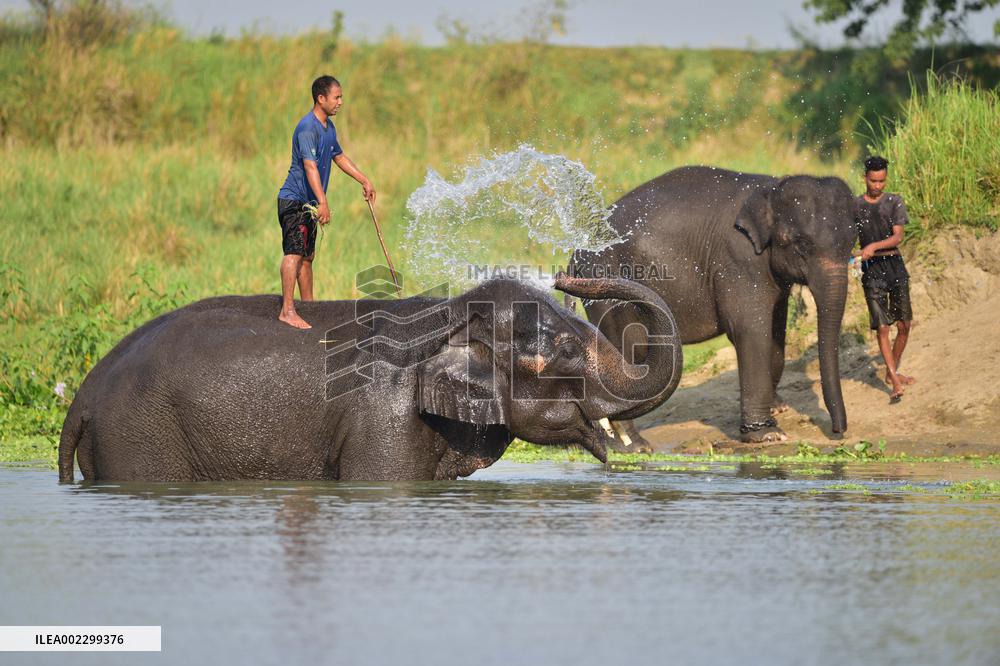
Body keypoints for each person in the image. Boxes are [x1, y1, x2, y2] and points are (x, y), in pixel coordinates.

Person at [276, 75, 376, 329]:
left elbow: (339, 157)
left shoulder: (328, 127)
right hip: (295, 200)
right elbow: (310, 168)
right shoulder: (307, 128)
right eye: (337, 97)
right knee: (294, 253)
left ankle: (309, 307)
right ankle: (287, 310)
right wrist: (323, 202)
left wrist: (364, 179)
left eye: (341, 96)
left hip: (309, 202)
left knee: (308, 257)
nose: (341, 102)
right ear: (321, 98)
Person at [854, 155, 914, 402]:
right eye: (873, 181)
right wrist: (855, 252)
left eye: (882, 181)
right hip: (871, 270)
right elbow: (848, 237)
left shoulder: (894, 202)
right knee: (882, 326)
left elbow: (898, 236)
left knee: (904, 325)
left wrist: (874, 246)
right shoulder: (855, 206)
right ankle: (895, 381)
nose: (878, 185)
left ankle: (893, 372)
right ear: (864, 178)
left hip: (894, 265)